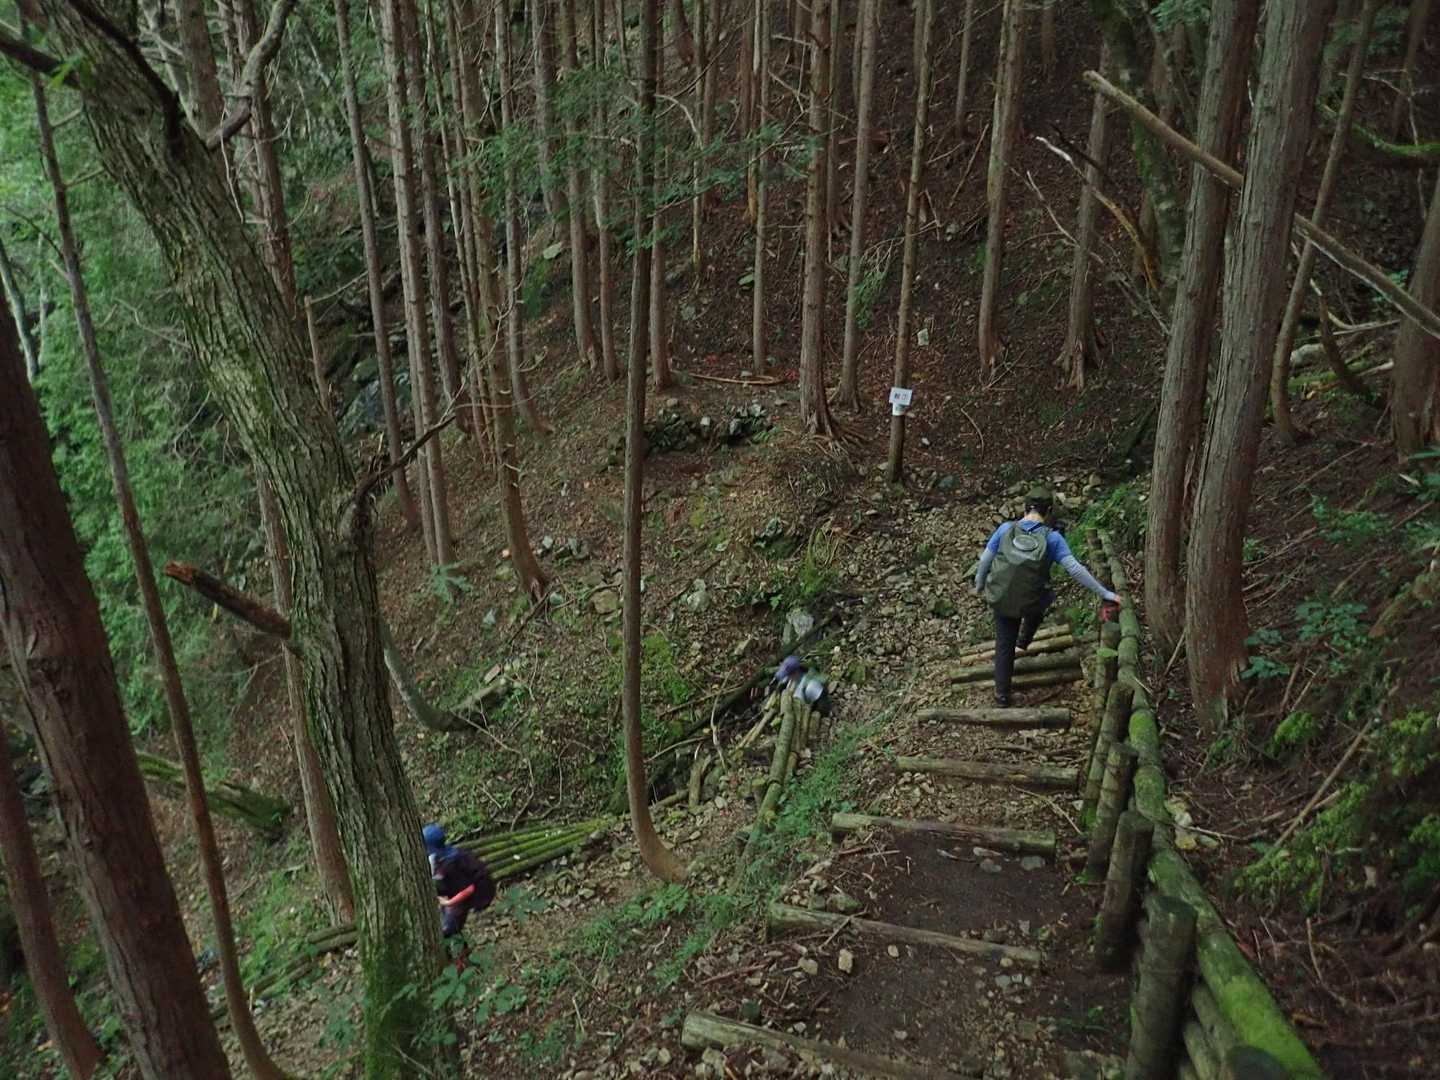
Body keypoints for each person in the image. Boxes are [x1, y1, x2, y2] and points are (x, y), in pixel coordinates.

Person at [973, 487, 1121, 707]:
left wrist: (979, 585)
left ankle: (1002, 695)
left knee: (1004, 643)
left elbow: (985, 560)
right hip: (1031, 601)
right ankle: (1024, 640)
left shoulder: (1005, 529)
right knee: (1045, 596)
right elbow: (1075, 569)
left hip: (1001, 596)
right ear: (1049, 510)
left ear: (1025, 507)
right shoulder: (1052, 539)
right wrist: (1106, 593)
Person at [422, 823, 496, 943]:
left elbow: (469, 888)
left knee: (449, 926)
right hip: (455, 888)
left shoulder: (453, 864)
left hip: (474, 892)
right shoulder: (442, 855)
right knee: (448, 918)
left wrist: (449, 902)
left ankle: (459, 949)